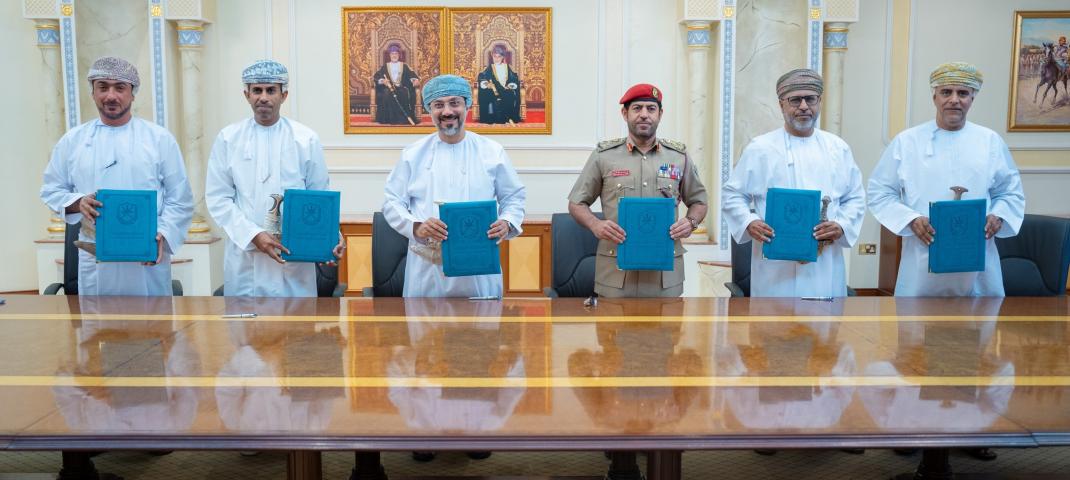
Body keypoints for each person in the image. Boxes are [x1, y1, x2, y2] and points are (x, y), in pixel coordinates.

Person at [868, 62, 1025, 297]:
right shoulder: (907, 141)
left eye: (962, 93)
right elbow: (880, 193)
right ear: (934, 97)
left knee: (979, 317)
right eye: (946, 92)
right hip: (923, 259)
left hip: (978, 260)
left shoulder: (990, 141)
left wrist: (999, 216)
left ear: (972, 99)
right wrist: (911, 219)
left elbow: (1010, 192)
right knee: (919, 319)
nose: (954, 100)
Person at [40, 56, 193, 296]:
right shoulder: (73, 141)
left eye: (119, 88)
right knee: (99, 318)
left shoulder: (159, 139)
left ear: (133, 93)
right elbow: (51, 190)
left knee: (150, 318)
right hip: (95, 254)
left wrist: (163, 235)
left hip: (146, 253)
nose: (111, 96)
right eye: (103, 87)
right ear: (93, 92)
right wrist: (78, 203)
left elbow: (180, 198)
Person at [205, 59, 344, 297]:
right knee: (246, 321)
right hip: (246, 259)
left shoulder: (305, 139)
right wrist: (253, 235)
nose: (263, 97)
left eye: (271, 90)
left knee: (296, 320)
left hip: (293, 259)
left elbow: (319, 197)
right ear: (247, 95)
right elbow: (218, 198)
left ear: (284, 95)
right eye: (257, 90)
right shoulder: (228, 138)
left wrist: (330, 238)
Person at [721, 69, 866, 297]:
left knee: (822, 318)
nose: (804, 106)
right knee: (774, 319)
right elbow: (732, 194)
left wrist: (841, 225)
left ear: (819, 101)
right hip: (775, 268)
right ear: (781, 104)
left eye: (810, 99)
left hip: (823, 264)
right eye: (795, 100)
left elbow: (855, 197)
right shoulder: (760, 148)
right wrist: (749, 222)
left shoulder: (838, 148)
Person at [382, 74, 526, 298]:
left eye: (454, 103)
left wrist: (507, 222)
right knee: (426, 321)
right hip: (427, 269)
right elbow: (392, 201)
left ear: (467, 105)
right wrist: (416, 226)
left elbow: (514, 197)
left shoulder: (492, 151)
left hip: (478, 268)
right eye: (438, 105)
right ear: (429, 110)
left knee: (481, 320)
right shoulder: (413, 154)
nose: (447, 111)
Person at [567, 83, 708, 297]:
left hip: (664, 277)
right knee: (612, 320)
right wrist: (595, 224)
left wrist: (691, 222)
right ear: (625, 114)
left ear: (660, 114)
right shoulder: (604, 156)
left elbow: (699, 201)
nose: (644, 114)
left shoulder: (678, 157)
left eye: (651, 109)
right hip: (616, 274)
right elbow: (576, 203)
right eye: (637, 108)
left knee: (667, 321)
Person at [373, 45, 421, 125]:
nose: (394, 55)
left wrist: (415, 80)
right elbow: (376, 77)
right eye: (392, 54)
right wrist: (383, 81)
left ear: (399, 55)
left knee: (404, 93)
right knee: (386, 93)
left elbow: (411, 75)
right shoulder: (385, 66)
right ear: (390, 55)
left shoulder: (404, 66)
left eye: (396, 54)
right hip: (389, 88)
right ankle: (389, 119)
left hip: (401, 87)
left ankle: (404, 119)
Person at [476, 45, 522, 124]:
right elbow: (482, 78)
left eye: (499, 57)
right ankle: (497, 119)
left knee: (510, 94)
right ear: (492, 56)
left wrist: (510, 85)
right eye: (495, 56)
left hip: (505, 90)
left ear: (502, 57)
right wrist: (487, 84)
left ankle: (509, 117)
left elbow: (513, 79)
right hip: (493, 91)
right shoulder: (490, 67)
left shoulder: (506, 67)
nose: (496, 59)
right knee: (492, 95)